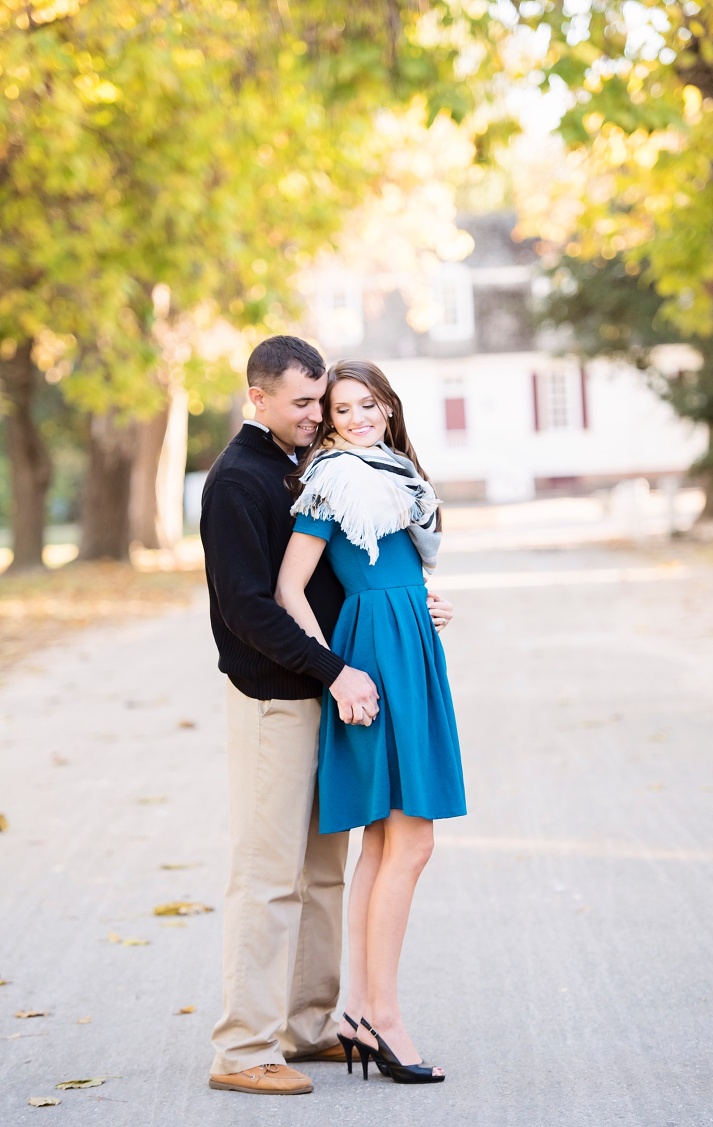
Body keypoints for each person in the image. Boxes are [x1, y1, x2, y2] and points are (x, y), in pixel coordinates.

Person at [200, 336, 454, 1096]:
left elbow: (343, 574)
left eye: (326, 402)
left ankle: (309, 1026)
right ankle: (243, 1048)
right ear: (260, 399)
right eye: (305, 403)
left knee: (322, 872)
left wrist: (408, 607)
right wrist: (337, 667)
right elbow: (250, 606)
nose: (319, 416)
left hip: (330, 692)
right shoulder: (238, 481)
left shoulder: (302, 466)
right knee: (268, 874)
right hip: (276, 697)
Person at [275, 358, 467, 1085]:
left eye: (367, 405)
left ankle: (360, 1011)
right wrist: (334, 671)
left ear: (388, 407)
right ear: (328, 422)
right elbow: (290, 585)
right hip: (373, 659)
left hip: (410, 645)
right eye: (341, 409)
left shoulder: (394, 474)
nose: (355, 418)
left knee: (390, 844)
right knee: (408, 842)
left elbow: (396, 565)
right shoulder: (336, 478)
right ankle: (381, 1015)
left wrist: (428, 602)